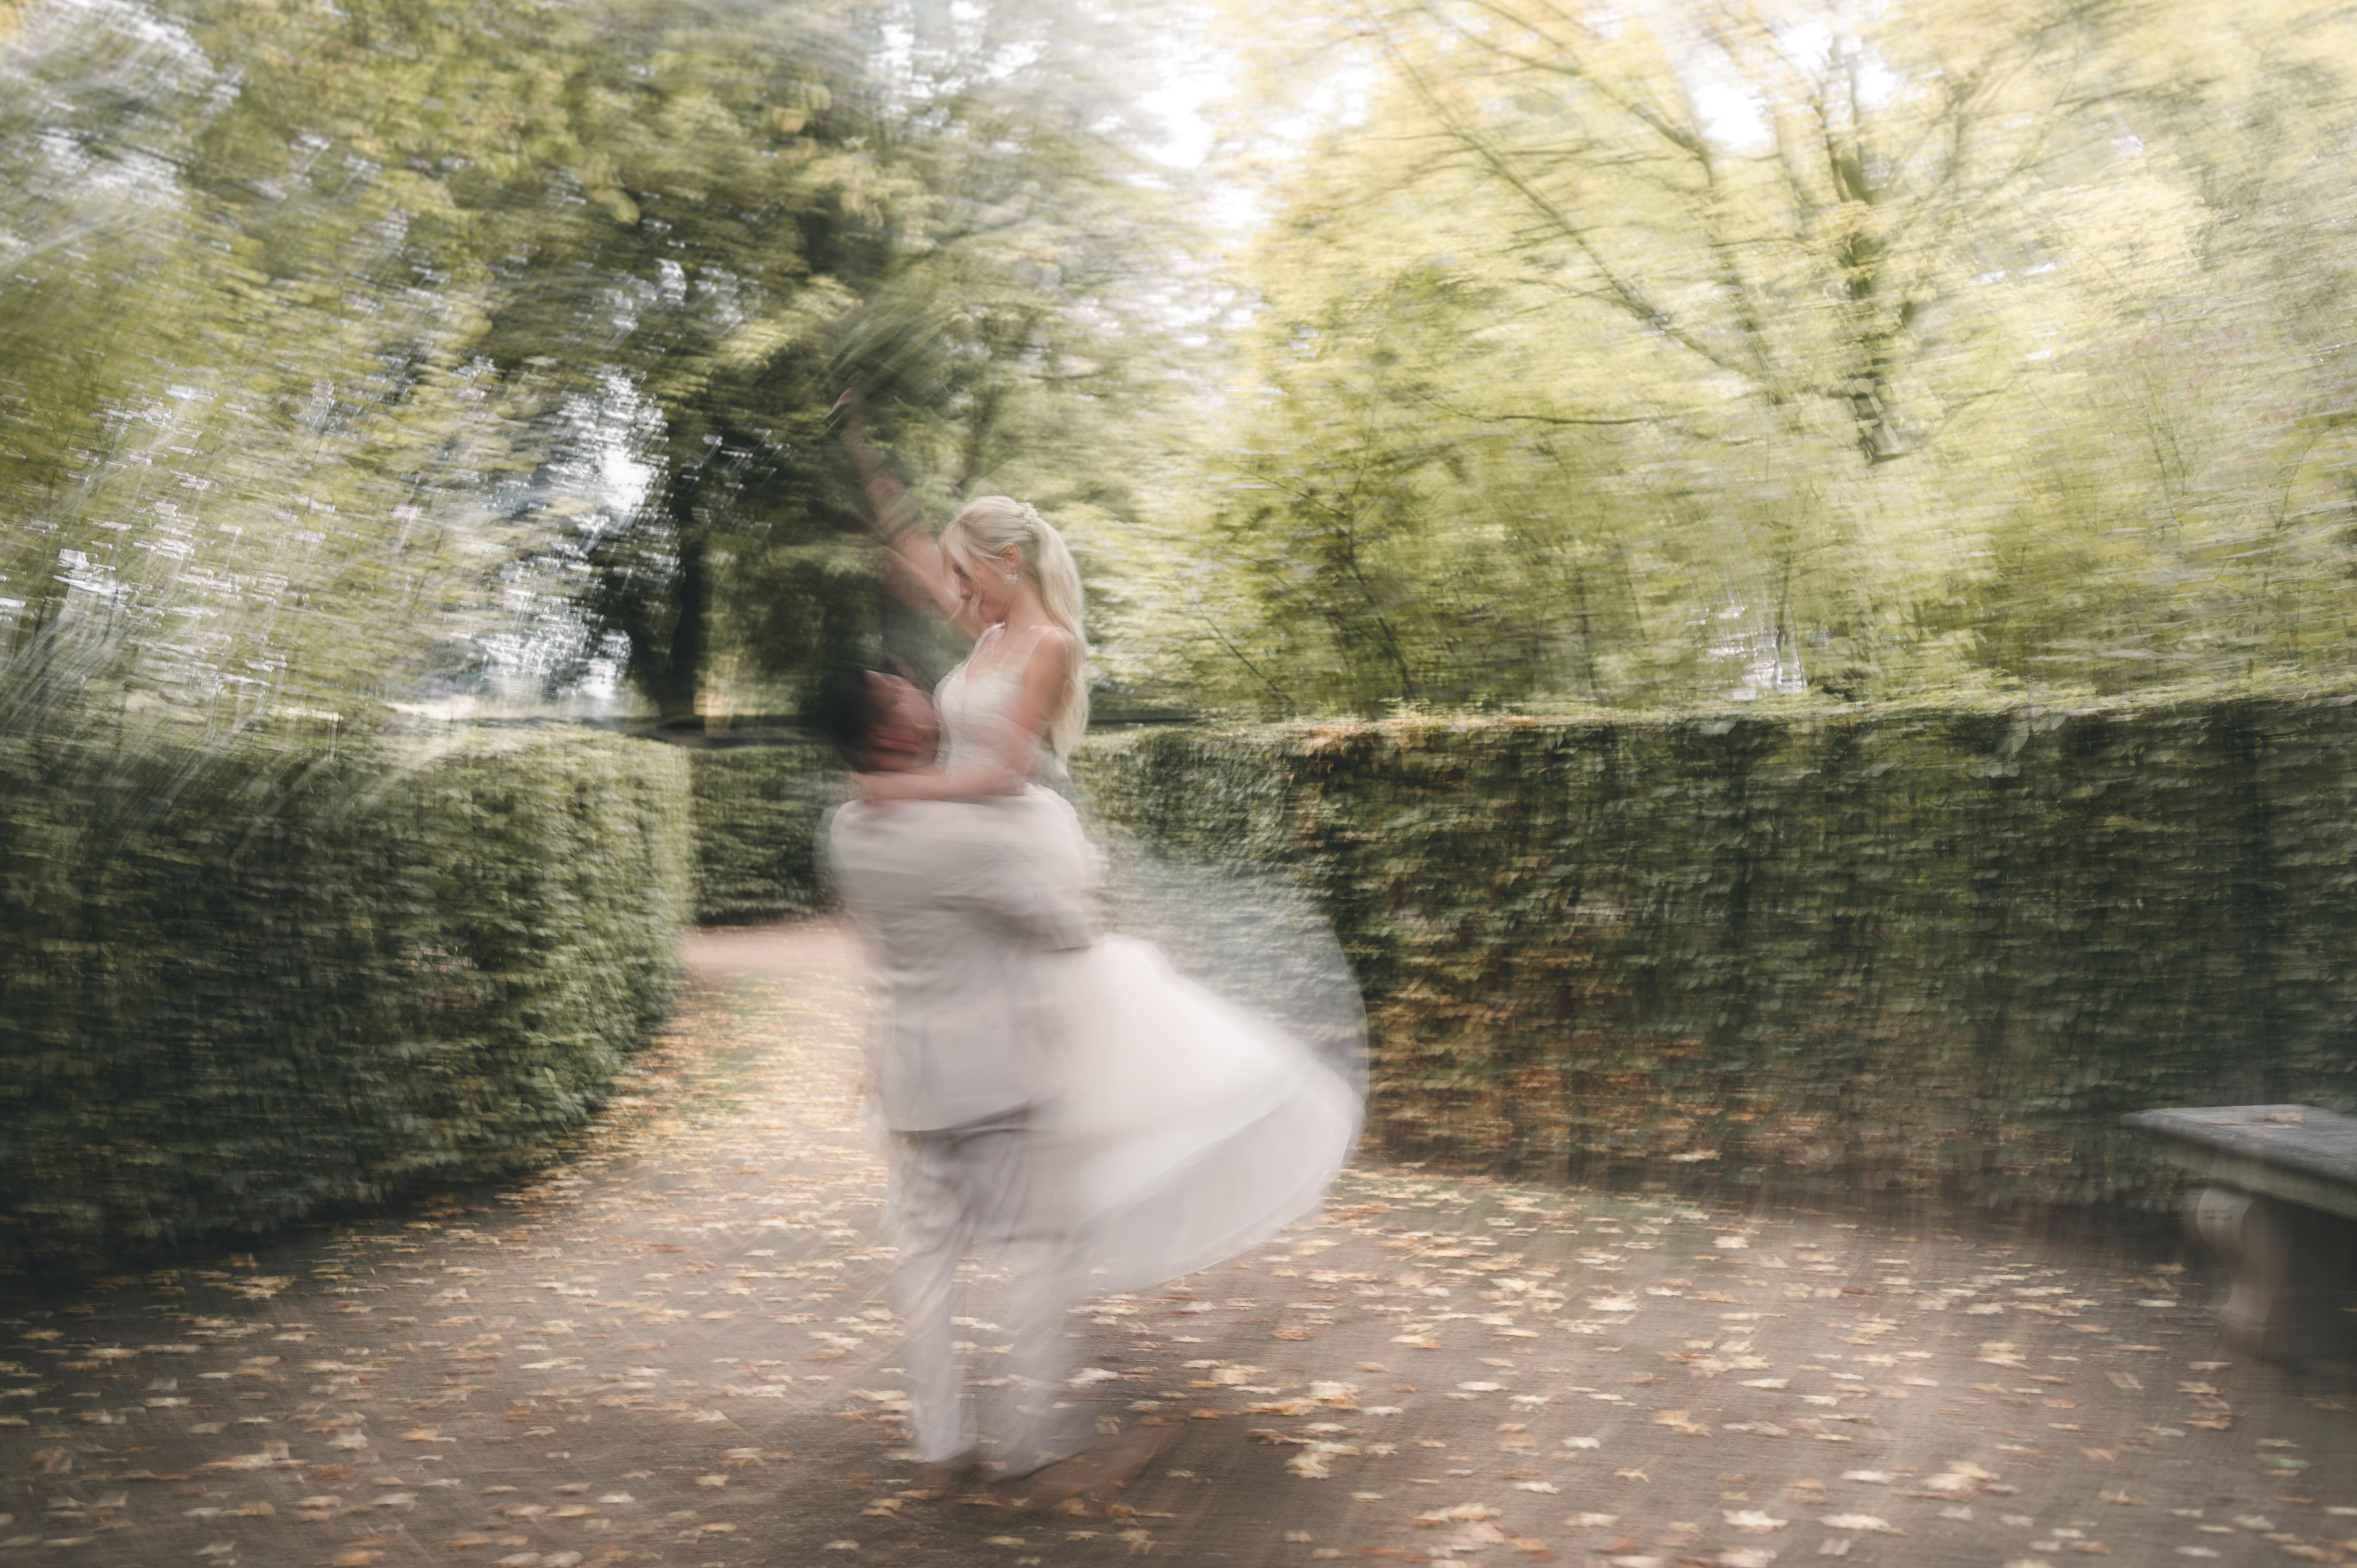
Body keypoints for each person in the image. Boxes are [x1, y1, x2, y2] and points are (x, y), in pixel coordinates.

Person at [830, 390, 1362, 1297]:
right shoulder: (990, 625)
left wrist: (899, 784)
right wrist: (862, 455)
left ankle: (1054, 1174)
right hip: (965, 834)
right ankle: (973, 1144)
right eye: (954, 580)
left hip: (1005, 824)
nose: (954, 593)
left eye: (970, 574)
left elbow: (1000, 774)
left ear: (1008, 560)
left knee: (1072, 1009)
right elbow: (919, 554)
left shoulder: (1049, 644)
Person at [816, 664, 1156, 1506]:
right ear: (891, 735)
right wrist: (1078, 860)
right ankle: (1034, 1449)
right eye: (896, 690)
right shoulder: (961, 834)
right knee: (1039, 1250)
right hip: (1000, 1080)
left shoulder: (848, 827)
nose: (914, 688)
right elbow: (1067, 929)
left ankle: (942, 1446)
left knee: (926, 1263)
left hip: (910, 1077)